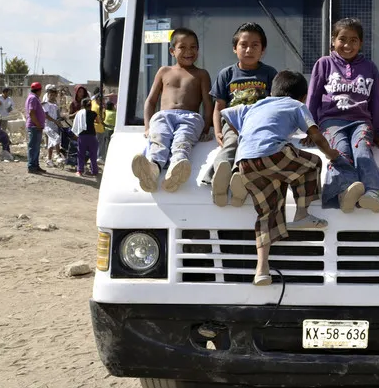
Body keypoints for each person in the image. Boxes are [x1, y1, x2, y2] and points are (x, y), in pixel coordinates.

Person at [222, 71, 342, 286]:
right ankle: (302, 214)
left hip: (245, 161)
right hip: (272, 153)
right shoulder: (296, 105)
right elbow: (315, 134)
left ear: (272, 91)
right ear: (303, 96)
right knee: (312, 164)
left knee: (268, 212)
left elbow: (227, 113)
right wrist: (330, 153)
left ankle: (262, 270)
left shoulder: (256, 105)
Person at [305, 17, 379, 213]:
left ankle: (373, 193)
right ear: (333, 41)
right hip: (331, 121)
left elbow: (376, 101)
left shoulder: (370, 67)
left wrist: (377, 130)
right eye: (342, 39)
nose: (347, 45)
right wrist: (310, 129)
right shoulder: (324, 64)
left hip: (361, 121)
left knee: (362, 150)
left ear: (361, 43)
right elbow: (313, 97)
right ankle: (345, 191)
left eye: (353, 40)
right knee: (339, 151)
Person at [130, 27, 212, 193]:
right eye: (183, 47)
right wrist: (147, 126)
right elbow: (151, 101)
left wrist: (206, 127)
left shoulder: (202, 74)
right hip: (163, 116)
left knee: (182, 140)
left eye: (193, 47)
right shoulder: (164, 71)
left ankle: (177, 168)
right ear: (172, 51)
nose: (189, 51)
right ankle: (152, 169)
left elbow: (208, 103)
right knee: (159, 139)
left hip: (190, 118)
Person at [207, 22, 278, 207]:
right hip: (232, 123)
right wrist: (217, 131)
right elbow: (218, 107)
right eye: (243, 45)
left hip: (258, 125)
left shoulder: (269, 74)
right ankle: (220, 177)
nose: (249, 49)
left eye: (255, 45)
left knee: (252, 152)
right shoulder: (227, 74)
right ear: (234, 48)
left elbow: (276, 105)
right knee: (231, 145)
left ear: (263, 50)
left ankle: (239, 179)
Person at [72, 97, 100, 178]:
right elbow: (98, 121)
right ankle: (94, 171)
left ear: (82, 105)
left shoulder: (79, 113)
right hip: (92, 136)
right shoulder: (94, 113)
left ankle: (80, 171)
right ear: (90, 105)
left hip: (82, 136)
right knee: (93, 154)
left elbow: (76, 123)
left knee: (81, 154)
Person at [25, 81, 47, 174]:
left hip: (37, 126)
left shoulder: (34, 98)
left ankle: (36, 165)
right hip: (34, 126)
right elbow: (32, 113)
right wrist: (38, 124)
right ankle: (31, 167)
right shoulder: (33, 98)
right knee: (33, 147)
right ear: (39, 90)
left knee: (36, 147)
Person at [42, 85, 62, 167]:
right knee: (57, 138)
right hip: (48, 126)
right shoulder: (46, 104)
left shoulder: (55, 104)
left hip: (55, 126)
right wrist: (55, 121)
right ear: (48, 94)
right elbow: (46, 115)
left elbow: (57, 115)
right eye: (51, 94)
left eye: (54, 95)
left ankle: (49, 160)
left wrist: (60, 119)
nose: (52, 96)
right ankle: (58, 155)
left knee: (51, 144)